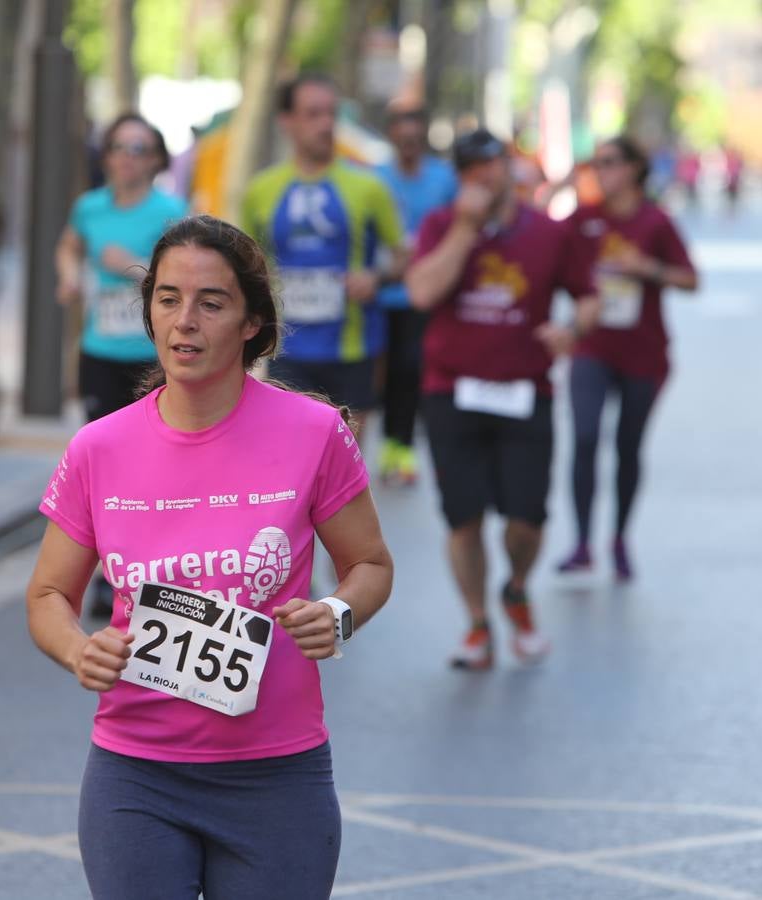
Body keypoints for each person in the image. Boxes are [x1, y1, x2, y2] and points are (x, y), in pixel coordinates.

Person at [27, 215, 392, 899]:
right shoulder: (98, 450)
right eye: (168, 299)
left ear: (252, 322)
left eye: (210, 303)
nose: (184, 320)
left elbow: (371, 565)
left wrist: (336, 615)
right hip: (136, 775)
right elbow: (48, 595)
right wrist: (79, 651)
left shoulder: (313, 433)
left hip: (276, 777)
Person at [405, 128, 600, 670]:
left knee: (526, 520)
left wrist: (571, 330)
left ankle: (515, 587)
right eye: (469, 171)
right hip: (451, 390)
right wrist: (467, 229)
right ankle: (477, 623)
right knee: (463, 519)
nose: (482, 178)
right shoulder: (443, 225)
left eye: (489, 166)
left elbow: (589, 298)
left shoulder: (548, 234)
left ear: (509, 167)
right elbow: (422, 292)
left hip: (525, 390)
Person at [55, 113, 188, 617]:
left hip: (153, 360)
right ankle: (112, 575)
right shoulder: (90, 208)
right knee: (106, 469)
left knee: (154, 468)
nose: (127, 157)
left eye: (139, 148)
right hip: (101, 354)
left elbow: (186, 272)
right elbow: (68, 246)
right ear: (105, 155)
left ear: (155, 159)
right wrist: (69, 276)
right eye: (118, 146)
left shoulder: (170, 210)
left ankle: (156, 568)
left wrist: (132, 270)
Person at [556, 135, 699, 581]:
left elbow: (692, 280)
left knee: (627, 448)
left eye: (611, 162)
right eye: (596, 163)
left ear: (636, 169)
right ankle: (582, 543)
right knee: (583, 438)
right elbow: (541, 253)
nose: (602, 171)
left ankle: (618, 538)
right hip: (592, 348)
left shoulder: (655, 222)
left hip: (643, 354)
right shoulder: (582, 220)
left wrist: (648, 268)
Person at [241, 73, 406, 434]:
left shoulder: (369, 188)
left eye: (332, 113)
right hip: (288, 349)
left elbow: (403, 257)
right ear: (287, 121)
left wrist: (376, 278)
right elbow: (244, 266)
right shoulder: (261, 190)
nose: (326, 124)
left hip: (354, 347)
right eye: (313, 114)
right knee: (294, 469)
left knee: (348, 470)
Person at [374, 106, 458, 485]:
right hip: (383, 292)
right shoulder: (376, 178)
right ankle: (386, 448)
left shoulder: (443, 178)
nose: (409, 145)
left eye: (415, 138)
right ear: (392, 138)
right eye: (402, 138)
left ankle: (402, 447)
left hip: (423, 295)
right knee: (385, 375)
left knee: (411, 368)